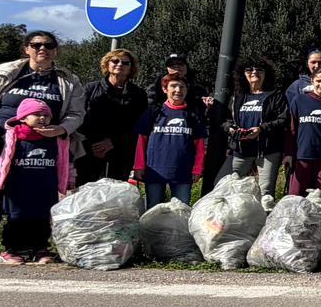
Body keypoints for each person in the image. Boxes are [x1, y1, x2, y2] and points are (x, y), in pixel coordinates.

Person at [0, 30, 83, 264]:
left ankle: (34, 247)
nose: (42, 49)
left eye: (49, 45)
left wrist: (61, 129)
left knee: (39, 198)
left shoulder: (67, 80)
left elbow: (76, 113)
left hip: (44, 150)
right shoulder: (7, 72)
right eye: (36, 45)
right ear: (26, 49)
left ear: (56, 51)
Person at [0, 98, 71, 264]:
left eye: (46, 115)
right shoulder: (13, 136)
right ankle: (11, 250)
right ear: (23, 118)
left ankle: (39, 249)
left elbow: (64, 160)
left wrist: (68, 178)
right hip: (18, 187)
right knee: (17, 219)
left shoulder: (56, 138)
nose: (42, 118)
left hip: (45, 187)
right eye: (37, 114)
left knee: (42, 219)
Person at [133, 74, 208, 211]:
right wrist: (139, 166)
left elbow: (200, 146)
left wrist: (197, 168)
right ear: (164, 89)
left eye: (182, 87)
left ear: (187, 90)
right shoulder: (153, 111)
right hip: (154, 170)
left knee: (181, 210)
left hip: (183, 172)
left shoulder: (193, 114)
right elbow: (141, 141)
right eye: (173, 86)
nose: (178, 90)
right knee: (152, 210)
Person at [222, 59, 288, 206]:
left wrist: (261, 129)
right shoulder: (237, 96)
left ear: (266, 73)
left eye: (259, 69)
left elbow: (283, 119)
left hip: (267, 150)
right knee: (232, 186)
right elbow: (226, 120)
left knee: (266, 193)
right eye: (249, 70)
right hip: (241, 149)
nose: (254, 72)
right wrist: (231, 128)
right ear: (242, 74)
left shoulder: (275, 95)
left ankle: (264, 217)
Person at [76, 49, 144, 183]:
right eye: (115, 61)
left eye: (125, 63)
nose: (120, 64)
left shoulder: (138, 94)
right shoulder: (90, 89)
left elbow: (138, 126)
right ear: (107, 64)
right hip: (89, 153)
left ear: (131, 68)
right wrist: (93, 146)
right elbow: (79, 118)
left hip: (120, 155)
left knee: (114, 193)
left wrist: (113, 142)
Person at [287, 70, 321, 196]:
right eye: (318, 81)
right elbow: (291, 129)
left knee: (320, 197)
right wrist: (288, 153)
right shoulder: (299, 100)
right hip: (301, 157)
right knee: (295, 197)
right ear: (312, 81)